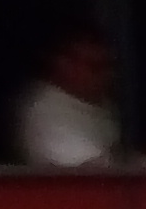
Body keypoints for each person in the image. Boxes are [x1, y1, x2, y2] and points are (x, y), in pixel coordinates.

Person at [15, 30, 118, 171]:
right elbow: (88, 171)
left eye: (107, 66)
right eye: (94, 66)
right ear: (63, 63)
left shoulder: (102, 104)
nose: (105, 75)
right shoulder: (44, 110)